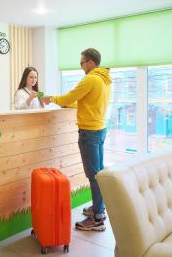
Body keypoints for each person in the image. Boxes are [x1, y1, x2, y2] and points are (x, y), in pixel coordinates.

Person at [42, 48, 112, 231]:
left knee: (94, 176)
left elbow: (71, 96)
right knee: (99, 173)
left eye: (82, 63)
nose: (81, 66)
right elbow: (82, 101)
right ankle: (99, 209)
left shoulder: (91, 78)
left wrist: (52, 99)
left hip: (89, 132)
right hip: (100, 129)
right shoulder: (104, 79)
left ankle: (97, 218)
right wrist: (66, 102)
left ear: (90, 62)